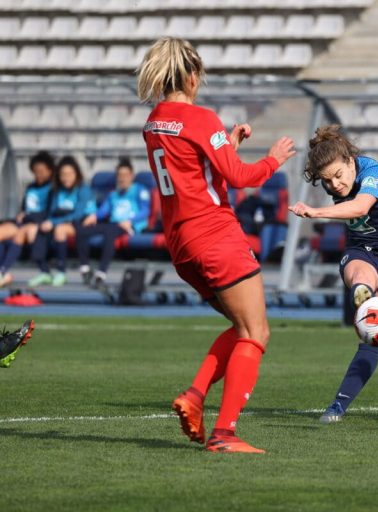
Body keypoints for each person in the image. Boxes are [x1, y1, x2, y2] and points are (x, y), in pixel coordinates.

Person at [137, 37, 296, 453]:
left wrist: (227, 143)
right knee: (256, 331)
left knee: (240, 326)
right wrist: (275, 159)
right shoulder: (202, 119)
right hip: (214, 236)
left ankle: (193, 396)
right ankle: (225, 434)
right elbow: (241, 177)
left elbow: (195, 171)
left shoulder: (155, 121)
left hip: (182, 245)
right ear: (192, 76)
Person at [288, 125, 378, 424]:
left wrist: (315, 212)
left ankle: (340, 402)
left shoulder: (371, 171)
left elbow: (360, 206)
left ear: (351, 161)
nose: (335, 185)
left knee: (371, 336)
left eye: (339, 175)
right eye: (327, 181)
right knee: (357, 273)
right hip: (363, 247)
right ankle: (363, 291)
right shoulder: (335, 180)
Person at [75, 158, 149, 290]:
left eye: (125, 175)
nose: (122, 179)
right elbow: (104, 210)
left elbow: (145, 210)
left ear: (132, 176)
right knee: (82, 229)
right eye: (119, 176)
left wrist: (130, 221)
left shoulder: (140, 191)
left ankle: (101, 272)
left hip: (128, 226)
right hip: (113, 224)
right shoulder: (113, 194)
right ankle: (85, 267)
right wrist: (94, 216)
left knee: (110, 233)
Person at [28, 156, 96, 287]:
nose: (66, 178)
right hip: (59, 219)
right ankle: (44, 271)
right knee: (35, 230)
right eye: (63, 174)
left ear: (77, 174)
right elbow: (52, 211)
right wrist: (48, 222)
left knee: (59, 230)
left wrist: (53, 222)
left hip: (79, 223)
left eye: (70, 174)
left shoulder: (83, 189)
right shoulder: (56, 190)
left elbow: (78, 214)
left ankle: (61, 271)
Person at [0, 151, 55, 288]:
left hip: (38, 224)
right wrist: (22, 215)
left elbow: (48, 213)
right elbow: (25, 208)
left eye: (42, 171)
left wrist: (28, 216)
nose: (38, 174)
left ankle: (3, 272)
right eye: (35, 171)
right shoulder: (31, 187)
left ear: (50, 171)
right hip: (25, 221)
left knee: (20, 233)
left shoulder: (53, 189)